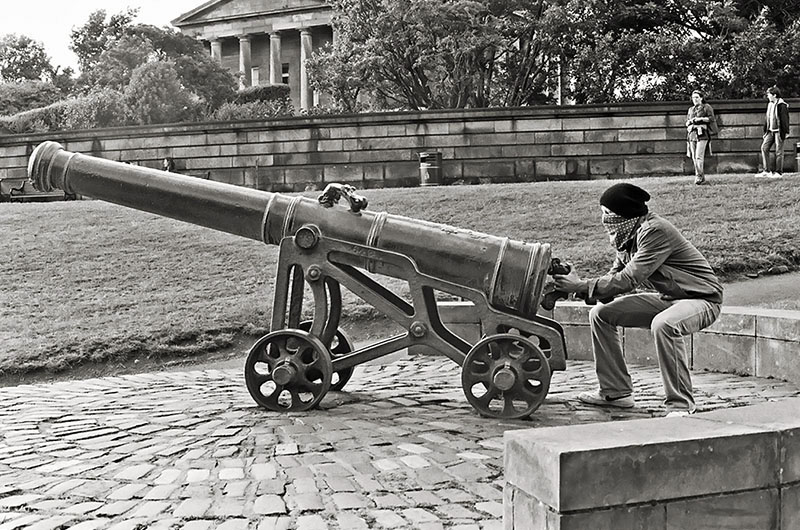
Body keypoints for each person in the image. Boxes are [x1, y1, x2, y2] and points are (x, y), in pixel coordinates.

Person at [553, 182, 723, 417]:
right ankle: (616, 392)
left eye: (608, 214)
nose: (604, 219)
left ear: (624, 214)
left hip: (703, 300)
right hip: (669, 298)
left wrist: (581, 286)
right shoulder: (628, 235)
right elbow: (615, 278)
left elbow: (630, 278)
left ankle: (681, 405)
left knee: (665, 324)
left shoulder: (655, 231)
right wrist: (577, 285)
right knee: (601, 315)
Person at [685, 90, 718, 185]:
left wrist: (700, 119)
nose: (694, 99)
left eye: (696, 97)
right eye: (693, 98)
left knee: (699, 156)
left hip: (702, 135)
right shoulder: (691, 109)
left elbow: (711, 119)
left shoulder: (706, 107)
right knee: (694, 157)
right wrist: (690, 123)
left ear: (701, 98)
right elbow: (687, 122)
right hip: (692, 135)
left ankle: (698, 176)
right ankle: (701, 176)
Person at [756, 86, 790, 178]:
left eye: (769, 94)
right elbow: (767, 118)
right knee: (764, 148)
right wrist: (765, 131)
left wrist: (786, 131)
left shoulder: (782, 105)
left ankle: (778, 172)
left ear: (774, 95)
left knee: (779, 152)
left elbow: (785, 119)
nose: (767, 96)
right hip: (770, 131)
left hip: (779, 131)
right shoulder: (770, 104)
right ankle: (767, 170)